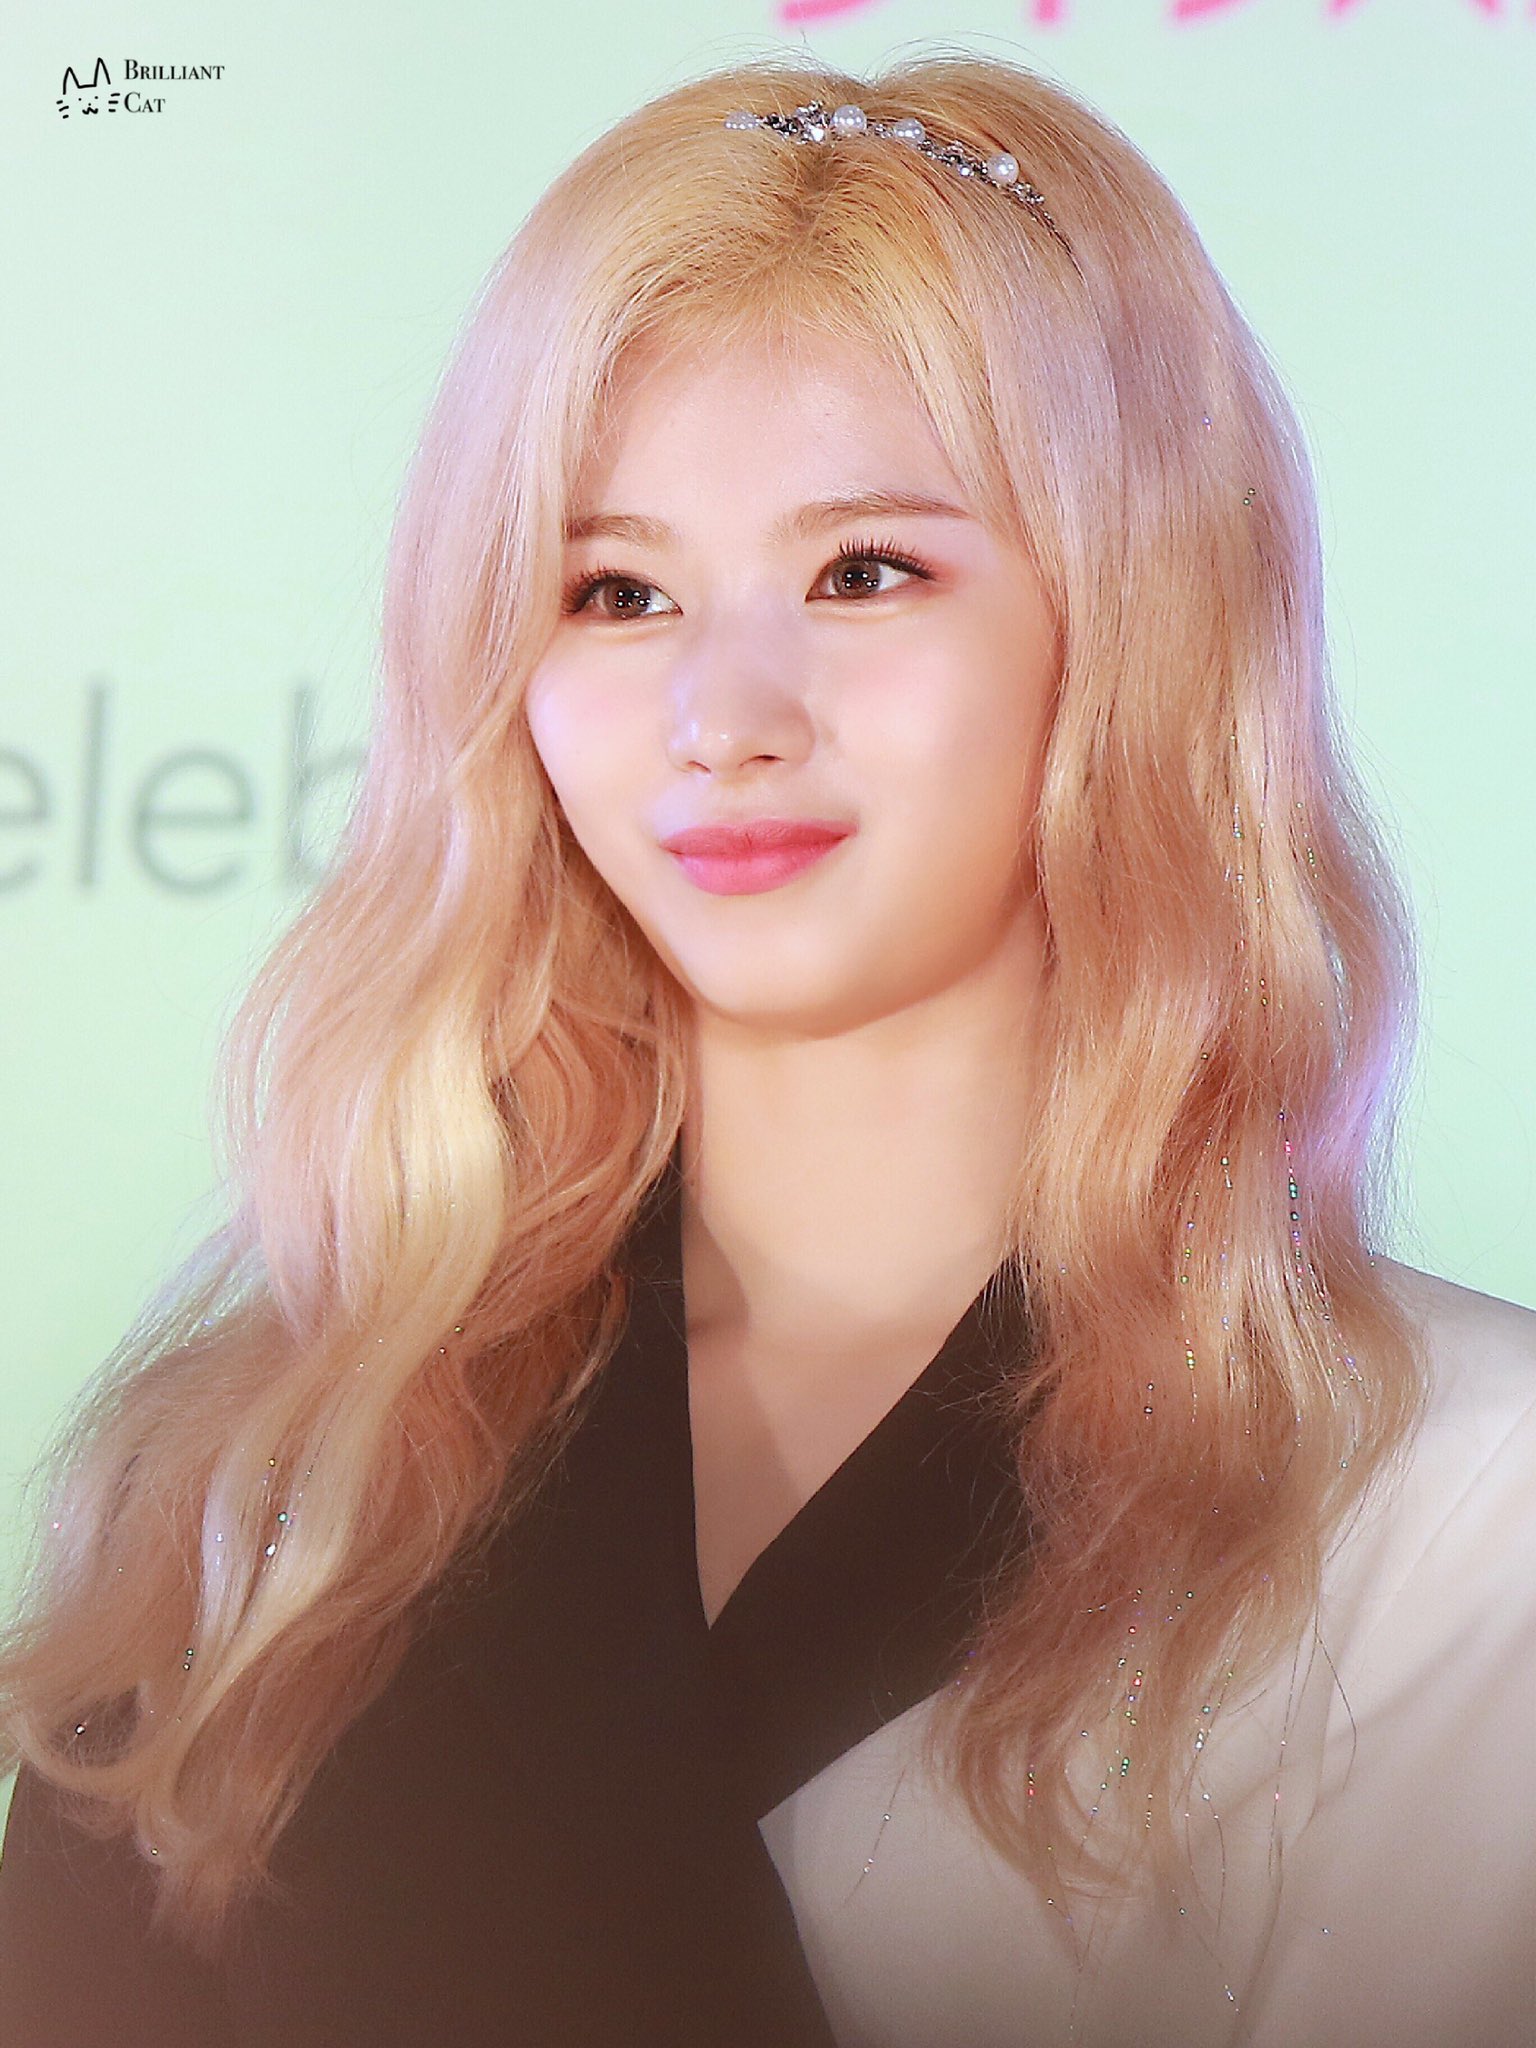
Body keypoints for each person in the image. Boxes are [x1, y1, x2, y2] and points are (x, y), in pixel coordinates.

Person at [1, 47, 1532, 2048]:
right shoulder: (273, 1470)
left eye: (864, 572)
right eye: (617, 591)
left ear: (1137, 628)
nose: (723, 716)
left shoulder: (1459, 1498)